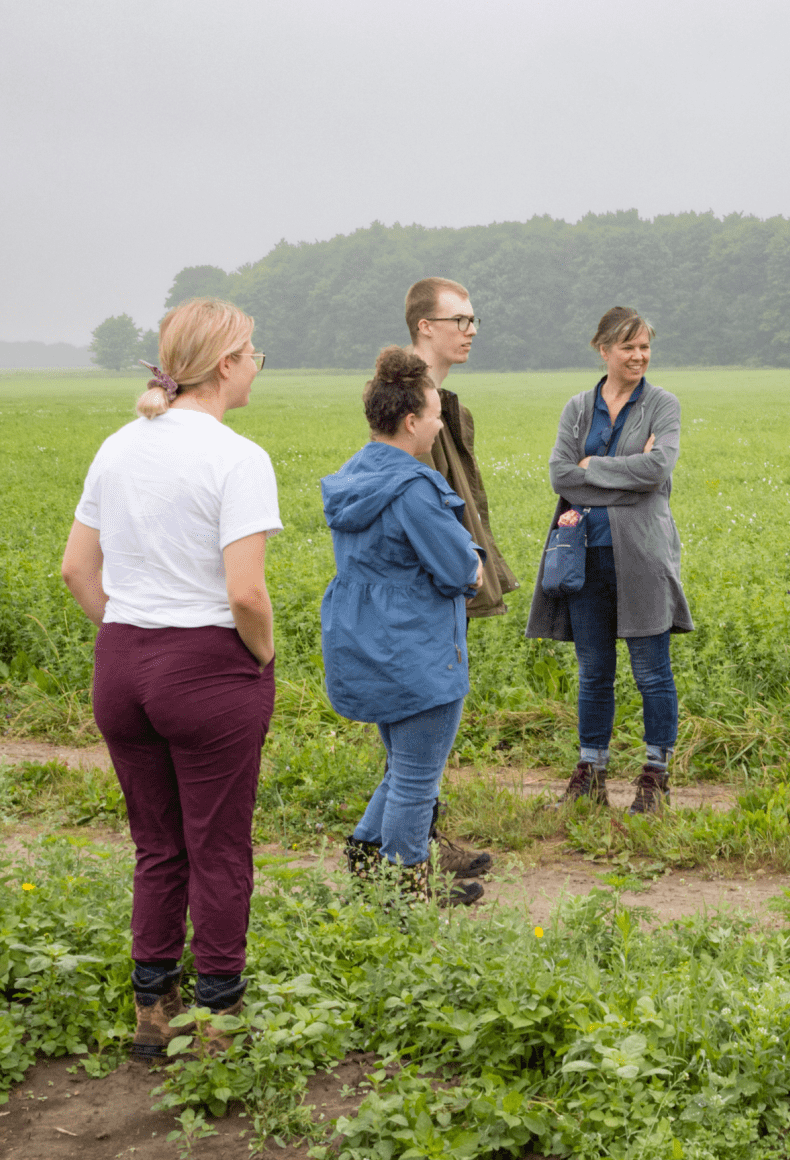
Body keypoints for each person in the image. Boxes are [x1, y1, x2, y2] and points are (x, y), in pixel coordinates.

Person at [59, 297, 279, 1060]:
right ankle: (219, 1017)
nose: (258, 363)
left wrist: (132, 631)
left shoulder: (117, 446)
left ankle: (152, 1007)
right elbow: (246, 592)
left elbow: (76, 570)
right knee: (218, 845)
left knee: (157, 845)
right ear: (226, 364)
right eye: (254, 351)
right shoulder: (237, 456)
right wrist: (261, 654)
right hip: (207, 664)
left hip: (122, 661)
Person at [320, 347, 487, 906]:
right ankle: (405, 892)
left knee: (403, 767)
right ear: (412, 422)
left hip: (367, 643)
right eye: (437, 414)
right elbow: (459, 568)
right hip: (417, 648)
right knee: (418, 779)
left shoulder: (353, 477)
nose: (440, 424)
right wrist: (472, 561)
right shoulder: (414, 488)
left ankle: (370, 866)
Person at [526, 307, 690, 814]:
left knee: (651, 673)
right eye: (628, 347)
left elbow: (658, 467)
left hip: (642, 556)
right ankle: (590, 774)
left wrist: (593, 467)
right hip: (584, 556)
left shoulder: (663, 404)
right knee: (594, 671)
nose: (639, 356)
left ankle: (654, 779)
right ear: (603, 349)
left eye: (645, 347)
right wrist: (627, 477)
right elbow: (559, 475)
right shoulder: (578, 407)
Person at [404, 278, 518, 618]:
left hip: (443, 587)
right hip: (428, 593)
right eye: (459, 321)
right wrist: (458, 570)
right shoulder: (407, 403)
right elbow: (419, 506)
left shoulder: (438, 401)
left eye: (472, 321)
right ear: (425, 327)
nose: (471, 331)